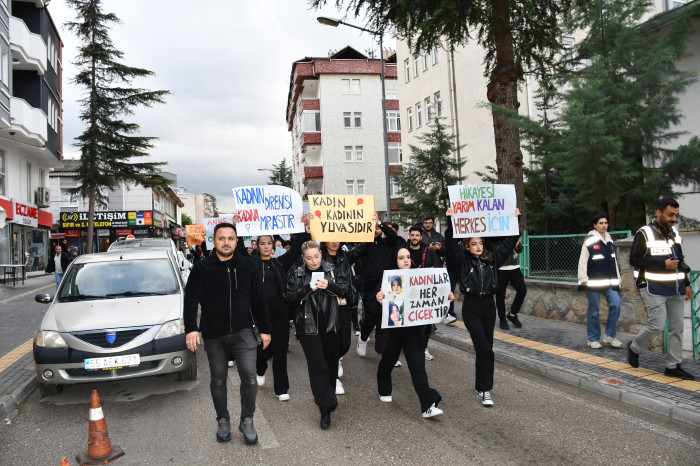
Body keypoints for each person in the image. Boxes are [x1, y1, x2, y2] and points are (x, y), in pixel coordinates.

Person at [184, 222, 271, 444]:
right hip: (214, 334)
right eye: (221, 238)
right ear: (214, 241)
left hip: (244, 331)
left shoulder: (249, 265)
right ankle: (223, 420)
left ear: (236, 241)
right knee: (218, 379)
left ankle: (247, 420)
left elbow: (259, 299)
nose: (226, 243)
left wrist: (265, 329)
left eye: (231, 238)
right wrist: (192, 328)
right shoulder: (202, 268)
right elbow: (191, 299)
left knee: (249, 375)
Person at [445, 207, 520, 407]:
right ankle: (486, 390)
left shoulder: (492, 260)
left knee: (486, 348)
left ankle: (481, 384)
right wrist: (451, 221)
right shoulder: (462, 261)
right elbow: (451, 244)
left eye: (480, 243)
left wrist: (515, 220)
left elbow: (509, 243)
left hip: (488, 306)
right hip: (471, 307)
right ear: (467, 246)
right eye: (474, 244)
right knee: (484, 348)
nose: (478, 246)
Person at [375, 247, 451, 418]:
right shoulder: (388, 278)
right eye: (401, 257)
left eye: (408, 257)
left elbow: (433, 296)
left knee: (418, 368)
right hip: (393, 332)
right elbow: (377, 306)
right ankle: (384, 388)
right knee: (387, 363)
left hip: (413, 332)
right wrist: (379, 299)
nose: (406, 260)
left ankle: (427, 405)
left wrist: (446, 296)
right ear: (395, 260)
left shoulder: (420, 278)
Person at [627, 198, 694, 380]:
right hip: (652, 286)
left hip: (675, 287)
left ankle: (673, 366)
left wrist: (687, 283)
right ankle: (634, 347)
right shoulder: (645, 233)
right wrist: (662, 264)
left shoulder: (674, 233)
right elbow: (634, 260)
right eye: (670, 214)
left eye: (676, 215)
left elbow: (680, 260)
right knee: (657, 325)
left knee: (677, 327)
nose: (674, 219)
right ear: (659, 212)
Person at [286, 241, 350, 429]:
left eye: (316, 256)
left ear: (321, 254)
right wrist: (308, 288)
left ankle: (327, 399)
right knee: (318, 366)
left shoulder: (332, 269)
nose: (314, 261)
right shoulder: (297, 273)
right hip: (308, 328)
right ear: (303, 258)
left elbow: (346, 291)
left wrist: (329, 285)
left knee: (330, 366)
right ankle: (325, 407)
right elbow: (290, 299)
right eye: (309, 258)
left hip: (331, 324)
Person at [242, 226, 307, 402]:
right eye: (262, 243)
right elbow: (239, 250)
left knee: (280, 350)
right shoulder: (252, 263)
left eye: (269, 243)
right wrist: (237, 227)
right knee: (264, 349)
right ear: (257, 246)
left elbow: (297, 247)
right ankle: (260, 367)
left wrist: (303, 227)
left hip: (281, 314)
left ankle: (282, 388)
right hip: (260, 316)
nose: (266, 246)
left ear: (273, 245)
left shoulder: (280, 263)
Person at [346, 213, 399, 357]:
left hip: (389, 285)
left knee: (389, 317)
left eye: (377, 227)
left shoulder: (387, 243)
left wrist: (380, 223)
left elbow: (394, 237)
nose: (375, 230)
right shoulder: (364, 245)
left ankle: (387, 354)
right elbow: (351, 257)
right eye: (372, 227)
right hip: (370, 286)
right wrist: (367, 239)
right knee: (371, 317)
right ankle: (363, 338)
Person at [577, 214, 622, 348]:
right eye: (601, 223)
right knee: (594, 311)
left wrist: (618, 279)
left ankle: (610, 336)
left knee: (616, 304)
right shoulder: (589, 240)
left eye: (606, 223)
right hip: (593, 282)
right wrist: (583, 278)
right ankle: (593, 339)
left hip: (609, 282)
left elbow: (614, 262)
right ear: (595, 225)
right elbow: (583, 260)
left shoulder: (609, 240)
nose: (604, 225)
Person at [320, 240, 356, 396]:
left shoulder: (346, 256)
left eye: (337, 238)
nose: (334, 242)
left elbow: (364, 246)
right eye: (330, 238)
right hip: (327, 306)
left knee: (345, 344)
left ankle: (336, 359)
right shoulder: (319, 258)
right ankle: (333, 379)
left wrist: (376, 227)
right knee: (331, 343)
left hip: (344, 304)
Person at [494, 237, 527, 330]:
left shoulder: (512, 234)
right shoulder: (495, 236)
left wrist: (517, 244)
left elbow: (520, 250)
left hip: (515, 268)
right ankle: (502, 319)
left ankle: (512, 314)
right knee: (500, 295)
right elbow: (493, 250)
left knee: (522, 290)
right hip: (501, 269)